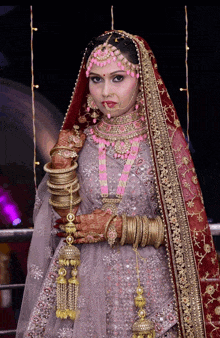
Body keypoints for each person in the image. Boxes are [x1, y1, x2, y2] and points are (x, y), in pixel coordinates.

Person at [16, 30, 220, 338]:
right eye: (96, 79)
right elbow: (66, 221)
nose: (105, 91)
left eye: (117, 78)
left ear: (141, 79)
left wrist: (118, 228)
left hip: (149, 289)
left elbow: (186, 229)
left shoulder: (164, 145)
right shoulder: (80, 142)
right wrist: (61, 167)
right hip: (83, 286)